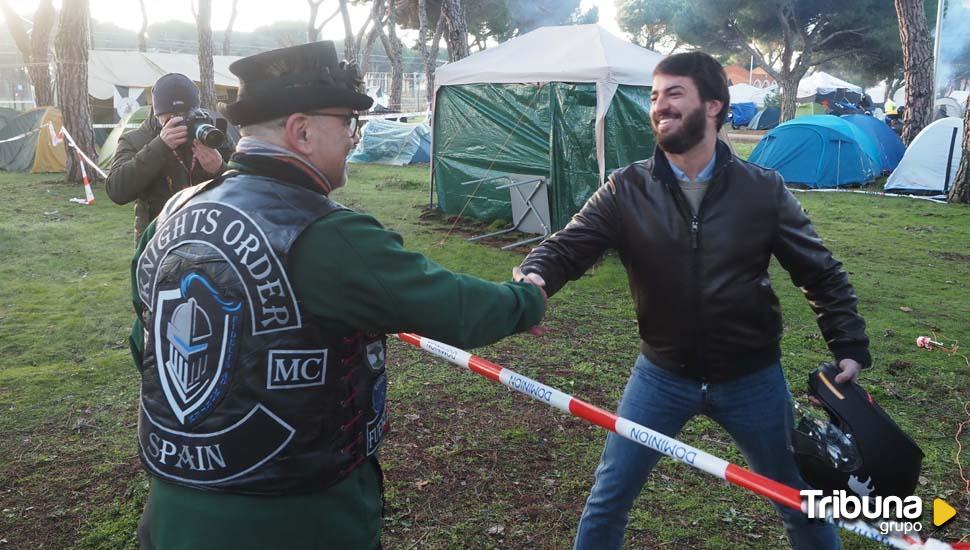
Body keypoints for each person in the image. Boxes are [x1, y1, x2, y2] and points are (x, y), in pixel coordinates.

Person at [128, 41, 545, 549]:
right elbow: (457, 309)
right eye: (348, 121)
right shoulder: (327, 233)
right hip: (296, 520)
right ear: (301, 130)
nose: (354, 137)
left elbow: (144, 346)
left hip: (173, 512)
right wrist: (526, 299)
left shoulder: (171, 215)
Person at [513, 52, 870, 550]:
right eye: (654, 97)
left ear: (714, 105)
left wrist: (849, 344)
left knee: (802, 507)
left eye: (674, 94)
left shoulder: (762, 190)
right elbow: (568, 246)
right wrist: (534, 277)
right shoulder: (626, 187)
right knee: (608, 499)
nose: (659, 106)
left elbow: (820, 270)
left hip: (752, 379)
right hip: (661, 376)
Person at [106, 73, 232, 243]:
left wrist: (220, 169)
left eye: (186, 114)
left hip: (210, 238)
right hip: (157, 244)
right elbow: (117, 191)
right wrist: (159, 146)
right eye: (171, 117)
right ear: (157, 115)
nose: (180, 120)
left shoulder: (212, 136)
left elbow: (244, 186)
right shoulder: (136, 139)